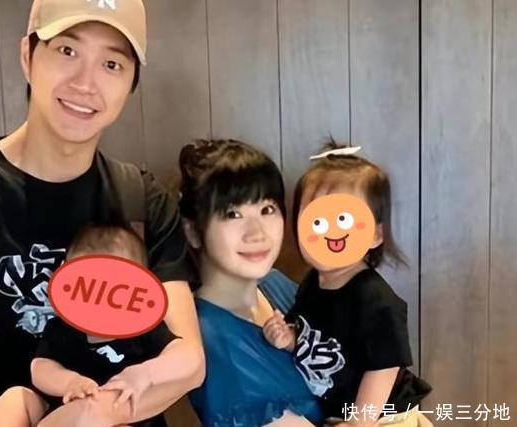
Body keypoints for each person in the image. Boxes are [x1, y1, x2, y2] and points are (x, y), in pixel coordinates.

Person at [0, 1, 205, 426]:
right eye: (67, 51)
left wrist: (88, 416)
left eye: (111, 64)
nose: (85, 84)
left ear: (131, 84)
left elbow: (186, 363)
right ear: (27, 55)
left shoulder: (143, 201)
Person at [263, 141, 432, 427]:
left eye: (343, 220)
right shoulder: (313, 284)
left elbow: (384, 367)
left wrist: (359, 422)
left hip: (385, 417)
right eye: (316, 222)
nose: (330, 234)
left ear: (376, 235)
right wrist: (290, 338)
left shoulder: (376, 299)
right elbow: (313, 340)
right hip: (337, 411)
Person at [178, 139, 323, 427]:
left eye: (267, 209)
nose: (257, 233)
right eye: (232, 214)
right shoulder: (214, 341)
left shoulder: (273, 283)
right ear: (193, 231)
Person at [0, 224, 179, 427]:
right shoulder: (63, 328)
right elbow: (40, 368)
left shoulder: (145, 330)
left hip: (122, 417)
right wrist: (69, 382)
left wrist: (146, 375)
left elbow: (180, 354)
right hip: (59, 413)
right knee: (15, 399)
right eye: (87, 288)